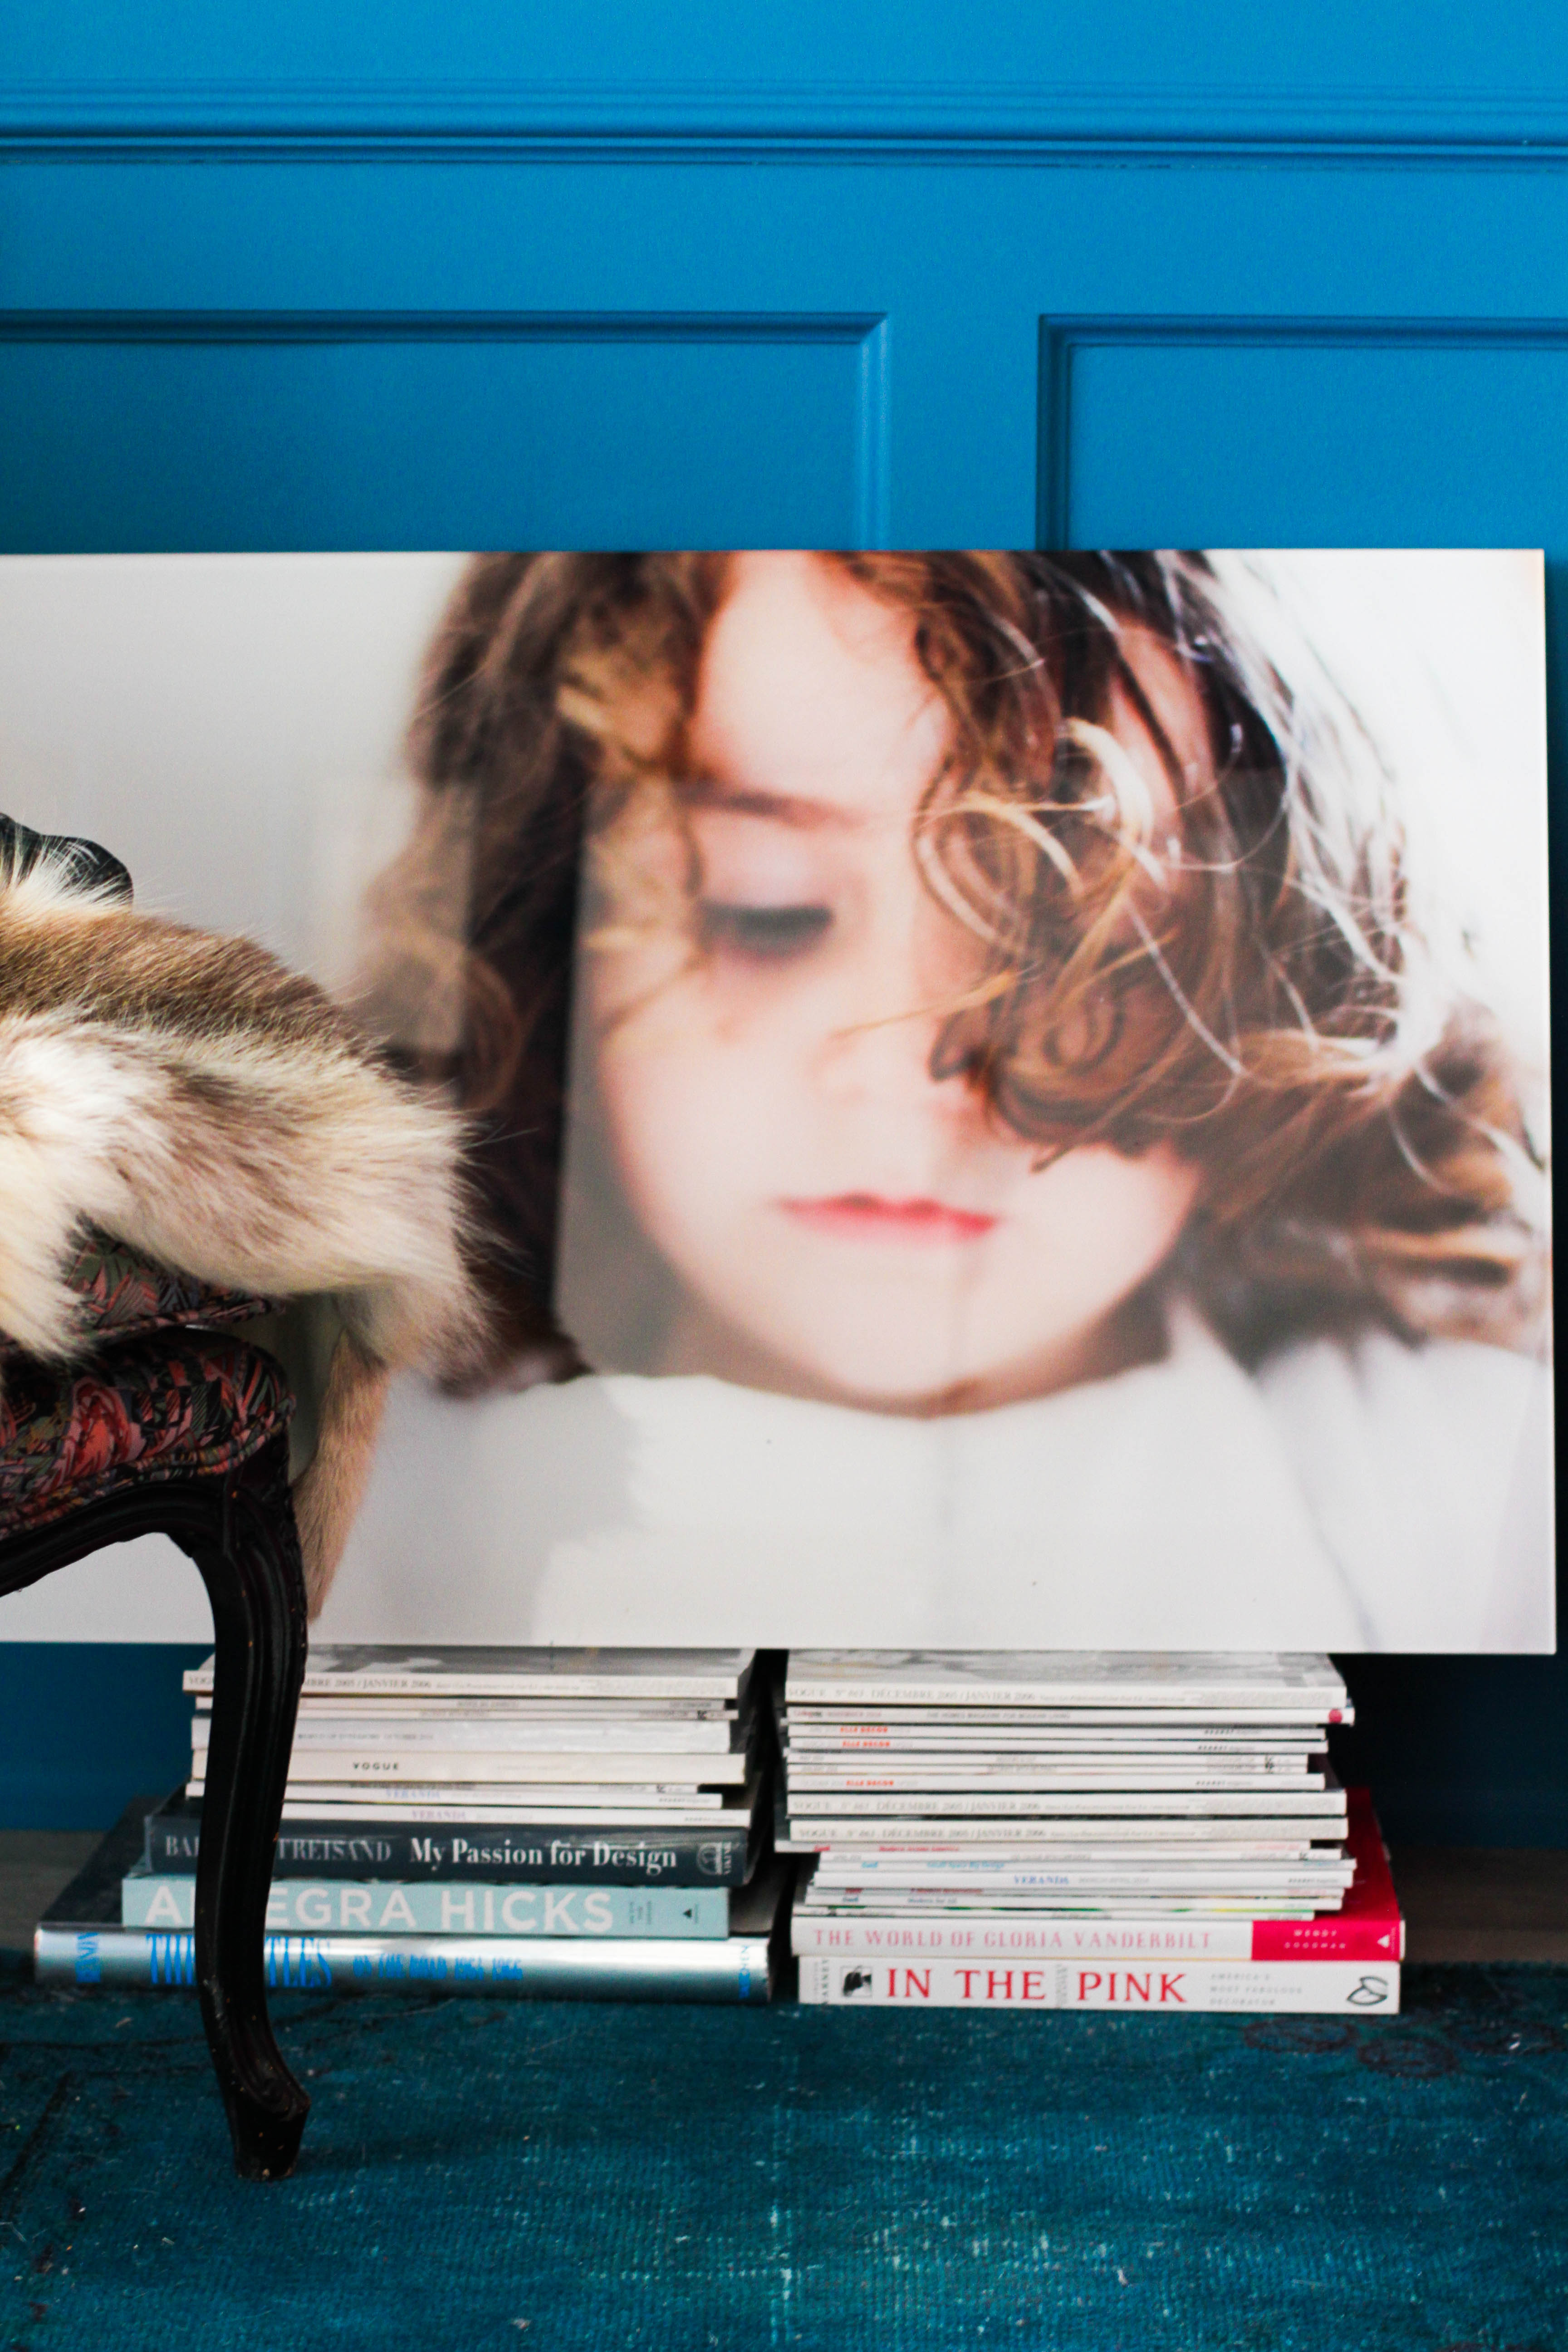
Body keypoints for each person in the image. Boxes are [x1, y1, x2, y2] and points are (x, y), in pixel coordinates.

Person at [318, 551, 1552, 1651]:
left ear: (1289, 983)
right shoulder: (358, 1485)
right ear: (548, 942)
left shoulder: (1452, 1484)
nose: (919, 1076)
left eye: (1086, 944)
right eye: (770, 910)